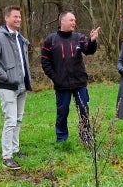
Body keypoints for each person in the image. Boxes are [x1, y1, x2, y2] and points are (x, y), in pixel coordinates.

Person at [41, 11, 101, 144]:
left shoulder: (79, 37)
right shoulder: (50, 40)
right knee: (62, 112)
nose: (74, 22)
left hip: (79, 83)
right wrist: (55, 78)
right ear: (62, 21)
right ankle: (62, 139)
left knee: (84, 111)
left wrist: (92, 40)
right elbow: (45, 62)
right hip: (61, 85)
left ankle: (86, 137)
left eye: (75, 20)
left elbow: (89, 50)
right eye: (71, 20)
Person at [0, 5, 32, 170]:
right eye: (15, 17)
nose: (18, 20)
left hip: (21, 87)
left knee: (18, 119)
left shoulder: (20, 38)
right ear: (7, 18)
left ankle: (15, 149)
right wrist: (5, 76)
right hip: (6, 87)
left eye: (19, 17)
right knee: (10, 120)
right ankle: (7, 156)